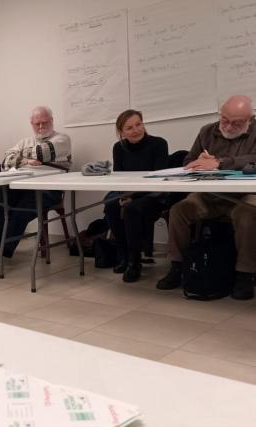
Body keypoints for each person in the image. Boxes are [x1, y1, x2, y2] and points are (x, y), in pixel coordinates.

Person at [156, 95, 256, 299]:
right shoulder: (207, 131)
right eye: (224, 119)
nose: (228, 126)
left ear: (250, 119)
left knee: (248, 214)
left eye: (236, 123)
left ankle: (245, 274)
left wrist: (220, 162)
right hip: (209, 195)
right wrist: (198, 161)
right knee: (178, 211)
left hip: (244, 196)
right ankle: (178, 266)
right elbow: (188, 161)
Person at [0, 106, 72, 269]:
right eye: (37, 124)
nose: (41, 127)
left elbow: (42, 153)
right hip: (23, 184)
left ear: (52, 121)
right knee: (1, 198)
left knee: (21, 210)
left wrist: (20, 157)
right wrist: (27, 161)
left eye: (44, 123)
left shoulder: (62, 139)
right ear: (31, 124)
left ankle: (1, 251)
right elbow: (6, 161)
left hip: (49, 188)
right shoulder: (25, 141)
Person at [103, 110, 169, 283]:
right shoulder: (119, 148)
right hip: (129, 191)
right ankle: (123, 255)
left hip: (154, 194)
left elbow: (158, 177)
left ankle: (135, 261)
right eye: (129, 127)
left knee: (132, 209)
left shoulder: (159, 144)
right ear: (121, 132)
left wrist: (133, 196)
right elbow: (119, 176)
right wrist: (124, 194)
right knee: (110, 205)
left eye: (138, 124)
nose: (136, 130)